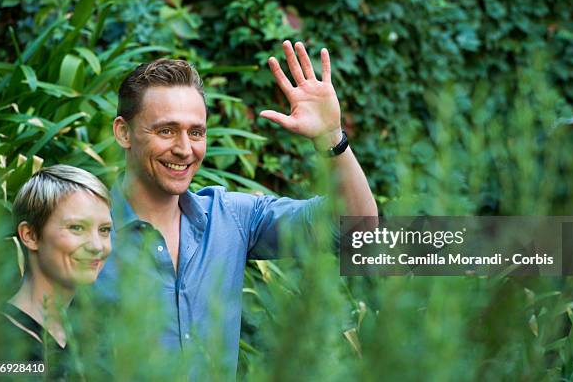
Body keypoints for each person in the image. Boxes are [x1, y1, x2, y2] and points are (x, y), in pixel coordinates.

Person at [96, 40, 377, 378]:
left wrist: (331, 137)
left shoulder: (232, 219)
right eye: (166, 130)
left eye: (196, 132)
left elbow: (355, 230)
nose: (185, 149)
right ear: (123, 132)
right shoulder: (79, 230)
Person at [3, 165, 112, 378]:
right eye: (77, 228)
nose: (97, 246)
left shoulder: (99, 336)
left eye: (104, 230)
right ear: (31, 235)